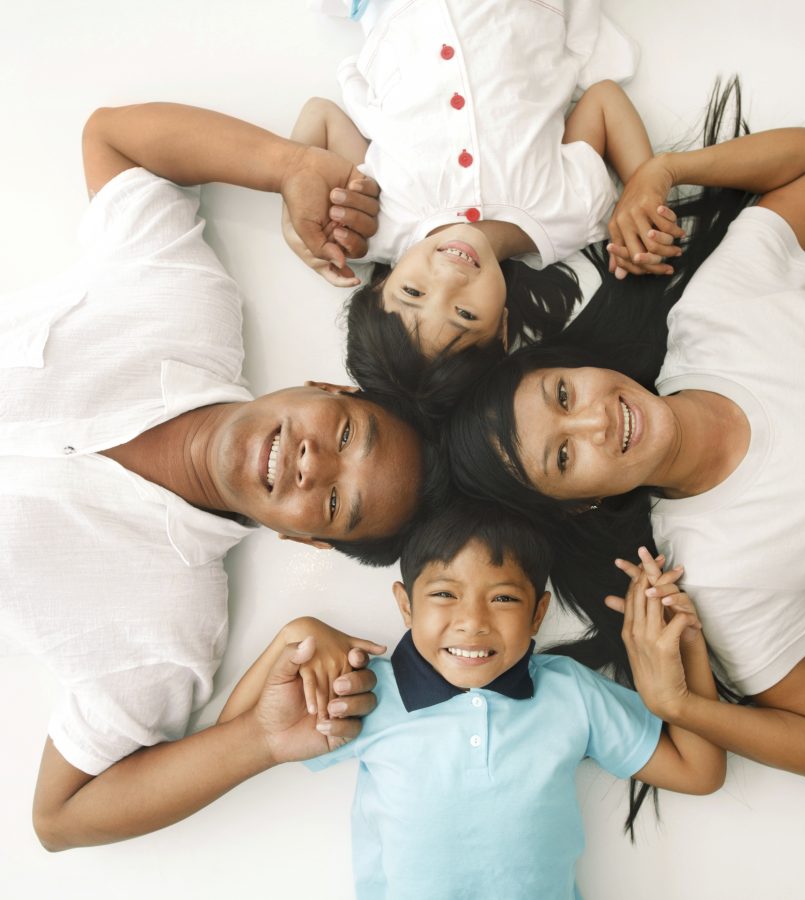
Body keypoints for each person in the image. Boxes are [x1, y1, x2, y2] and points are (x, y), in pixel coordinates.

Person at [1, 103, 428, 850]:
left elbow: (60, 816)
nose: (310, 463)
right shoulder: (185, 303)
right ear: (328, 391)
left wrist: (257, 742)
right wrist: (287, 167)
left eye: (333, 501)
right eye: (345, 435)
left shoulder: (170, 630)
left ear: (310, 540)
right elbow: (111, 136)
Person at [448, 123, 805, 786]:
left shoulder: (714, 313)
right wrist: (678, 703)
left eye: (564, 393)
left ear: (577, 364)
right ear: (581, 502)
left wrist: (663, 170)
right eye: (563, 458)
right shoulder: (716, 572)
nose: (594, 420)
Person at [219, 501, 724, 898]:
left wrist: (688, 644)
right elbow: (236, 738)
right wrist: (294, 636)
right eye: (444, 594)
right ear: (405, 605)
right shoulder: (364, 690)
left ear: (538, 614)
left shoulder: (570, 692)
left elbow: (699, 771)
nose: (473, 620)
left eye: (503, 597)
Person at [286, 0, 685, 363]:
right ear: (502, 328)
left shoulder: (373, 227)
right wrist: (643, 189)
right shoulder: (571, 215)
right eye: (465, 313)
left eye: (413, 292)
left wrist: (293, 217)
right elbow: (604, 99)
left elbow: (319, 115)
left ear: (378, 289)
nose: (449, 278)